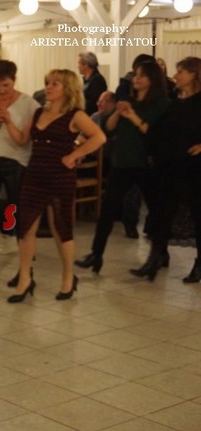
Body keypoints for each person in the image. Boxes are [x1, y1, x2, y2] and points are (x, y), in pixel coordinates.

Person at [5, 69, 105, 303]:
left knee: (61, 228)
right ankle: (25, 279)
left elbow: (99, 137)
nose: (48, 87)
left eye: (55, 84)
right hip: (34, 175)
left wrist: (75, 155)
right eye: (48, 82)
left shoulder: (75, 115)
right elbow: (22, 140)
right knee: (25, 227)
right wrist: (8, 121)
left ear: (67, 89)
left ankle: (68, 277)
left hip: (60, 177)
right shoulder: (39, 112)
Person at [76, 61, 170, 275]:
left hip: (146, 164)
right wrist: (119, 112)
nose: (136, 79)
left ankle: (157, 256)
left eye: (142, 75)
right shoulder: (128, 100)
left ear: (152, 79)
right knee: (107, 210)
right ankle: (96, 254)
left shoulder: (161, 104)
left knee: (156, 212)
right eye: (136, 75)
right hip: (123, 162)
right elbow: (108, 128)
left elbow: (154, 134)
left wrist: (132, 116)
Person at [131, 57, 201, 281]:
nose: (176, 75)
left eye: (181, 72)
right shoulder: (175, 101)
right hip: (171, 165)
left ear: (193, 74)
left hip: (195, 167)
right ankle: (156, 258)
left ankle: (199, 263)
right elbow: (161, 132)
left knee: (197, 214)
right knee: (163, 213)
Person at [0, 60, 40, 258]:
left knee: (15, 203)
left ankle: (16, 239)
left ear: (14, 81)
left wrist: (8, 121)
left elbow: (23, 140)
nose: (1, 90)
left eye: (6, 85)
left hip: (17, 159)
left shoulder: (29, 105)